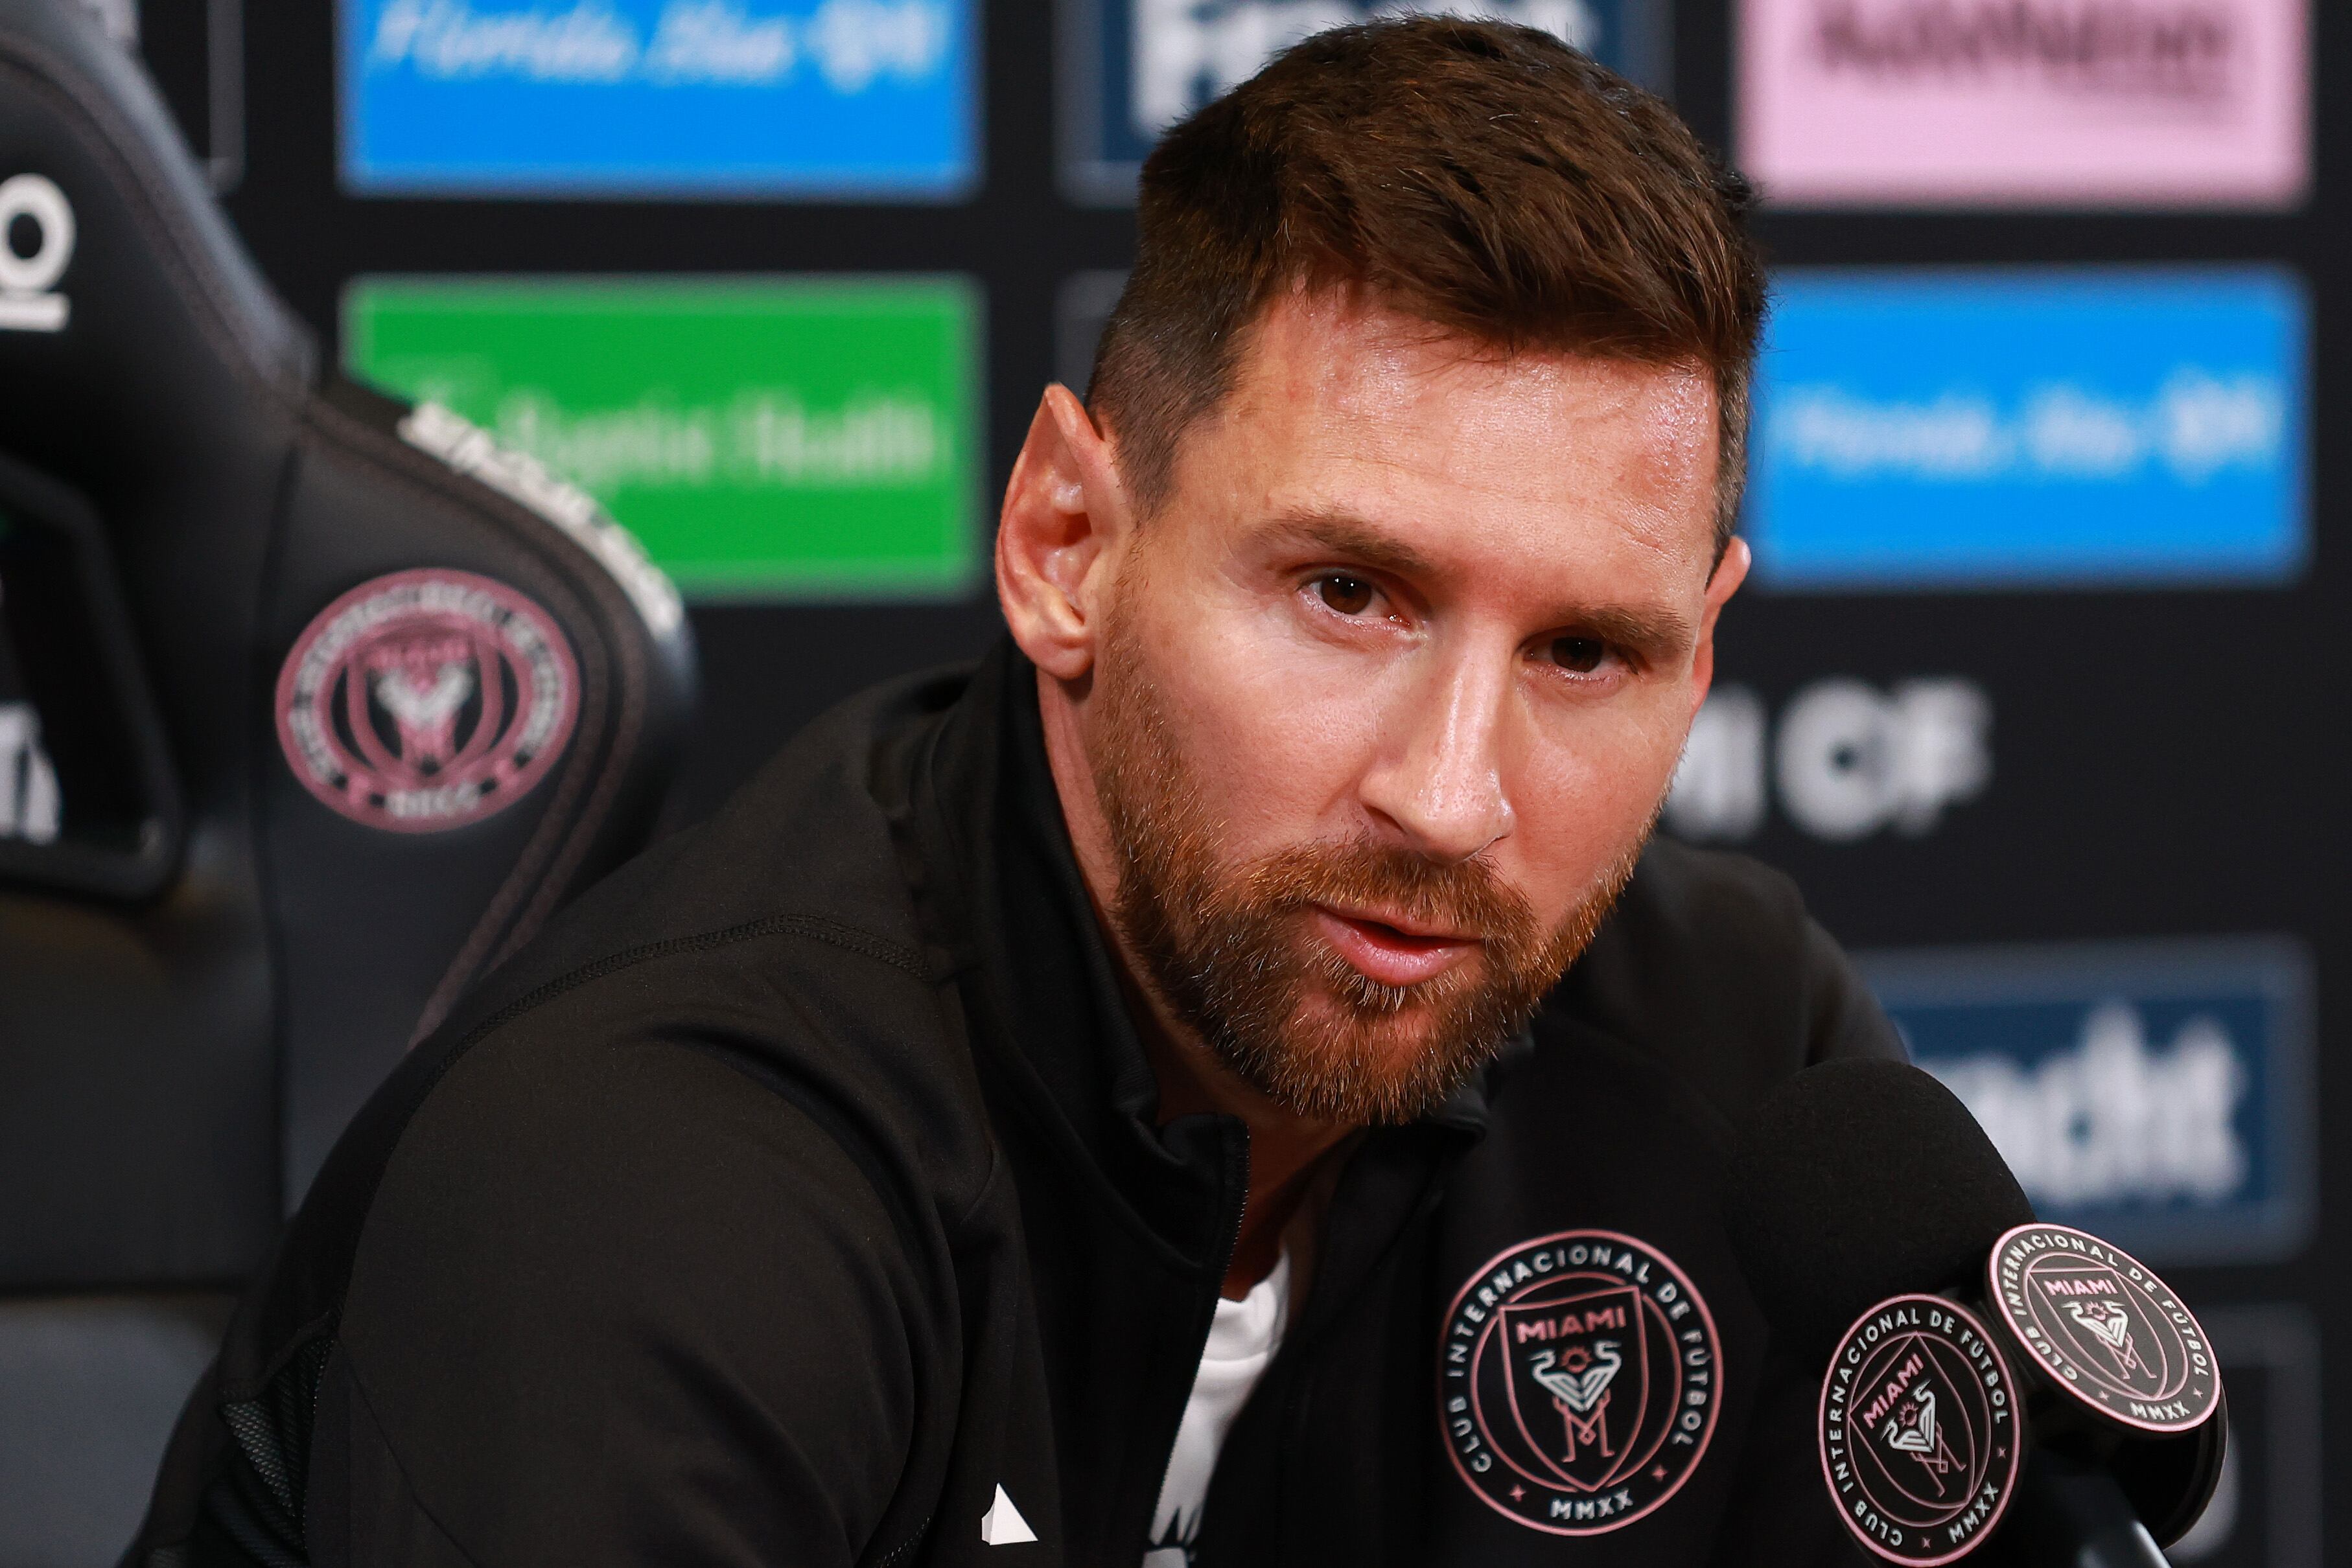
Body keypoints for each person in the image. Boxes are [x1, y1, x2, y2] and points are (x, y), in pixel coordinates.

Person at [130, 17, 1899, 1568]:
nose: (1451, 799)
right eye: (1347, 595)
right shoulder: (649, 1180)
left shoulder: (1744, 1061)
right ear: (1069, 541)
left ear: (1703, 655)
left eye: (1586, 651)